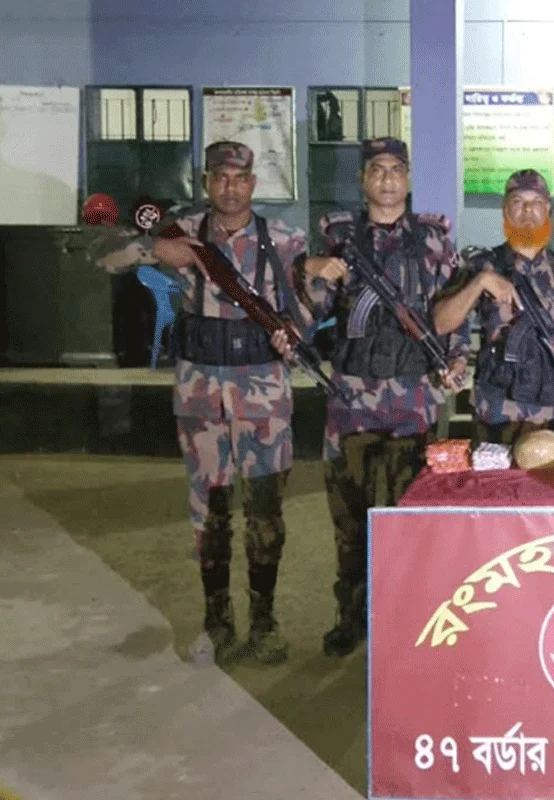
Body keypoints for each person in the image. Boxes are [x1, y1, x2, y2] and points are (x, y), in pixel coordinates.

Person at [114, 141, 308, 665]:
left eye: (240, 178)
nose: (230, 187)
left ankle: (264, 622)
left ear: (253, 183)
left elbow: (305, 308)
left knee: (265, 512)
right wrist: (154, 249)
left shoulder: (284, 239)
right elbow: (105, 256)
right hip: (201, 396)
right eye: (220, 177)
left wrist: (293, 333)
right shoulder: (182, 232)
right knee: (209, 514)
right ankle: (216, 622)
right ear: (206, 183)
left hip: (262, 396)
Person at [295, 137, 469, 657]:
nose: (388, 179)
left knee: (408, 517)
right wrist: (308, 270)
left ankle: (405, 621)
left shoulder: (434, 241)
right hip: (352, 397)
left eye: (396, 169)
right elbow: (309, 308)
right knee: (349, 518)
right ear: (363, 179)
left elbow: (451, 309)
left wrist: (457, 359)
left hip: (414, 397)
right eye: (377, 170)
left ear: (408, 178)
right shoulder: (339, 238)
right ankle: (350, 616)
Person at [432, 169, 554, 443]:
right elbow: (444, 324)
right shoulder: (482, 266)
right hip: (497, 407)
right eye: (518, 202)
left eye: (536, 202)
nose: (528, 210)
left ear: (548, 210)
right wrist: (481, 282)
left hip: (552, 408)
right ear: (505, 211)